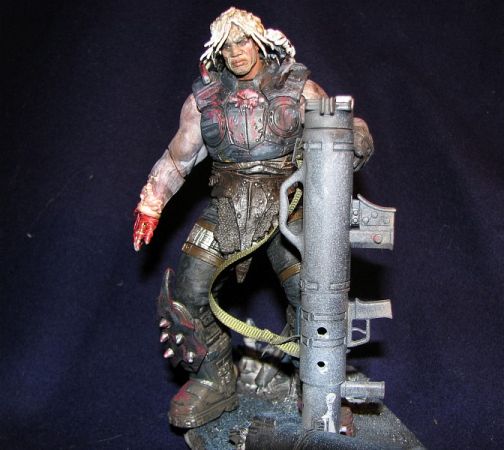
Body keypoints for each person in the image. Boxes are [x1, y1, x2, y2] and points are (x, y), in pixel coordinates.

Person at [132, 7, 374, 429]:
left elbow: (343, 125)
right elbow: (178, 158)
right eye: (226, 47)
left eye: (242, 42)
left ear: (260, 42)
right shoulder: (205, 102)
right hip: (227, 207)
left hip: (289, 206)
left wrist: (356, 138)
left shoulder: (298, 89)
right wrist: (151, 203)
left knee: (316, 297)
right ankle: (214, 379)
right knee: (187, 292)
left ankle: (316, 384)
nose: (236, 53)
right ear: (217, 53)